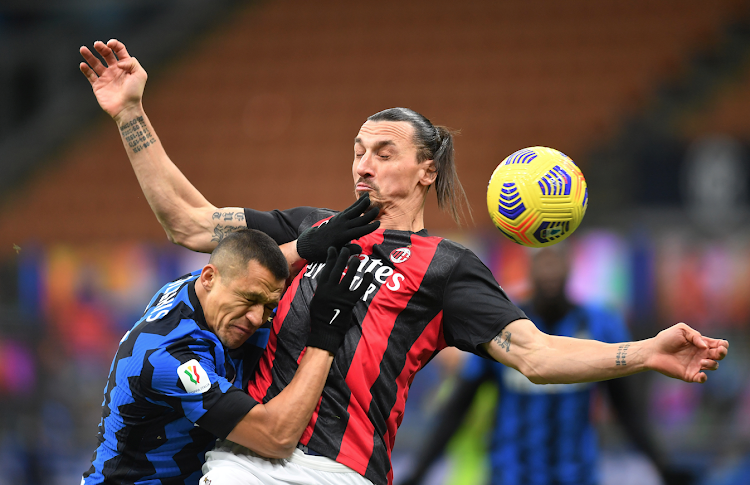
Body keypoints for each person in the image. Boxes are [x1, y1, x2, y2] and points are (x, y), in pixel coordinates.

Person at [79, 39, 729, 485]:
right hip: (245, 460)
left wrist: (644, 351)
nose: (363, 163)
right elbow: (190, 222)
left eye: (384, 151)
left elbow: (534, 354)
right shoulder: (312, 229)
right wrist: (132, 114)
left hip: (342, 470)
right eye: (358, 150)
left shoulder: (448, 268)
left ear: (426, 169)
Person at [81, 229, 373, 484]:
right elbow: (276, 438)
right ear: (209, 278)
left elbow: (244, 269)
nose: (257, 318)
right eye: (249, 301)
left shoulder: (196, 288)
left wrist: (302, 247)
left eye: (268, 306)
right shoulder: (171, 360)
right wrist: (325, 336)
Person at [399, 246, 691, 485]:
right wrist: (419, 472)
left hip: (578, 475)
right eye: (543, 262)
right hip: (512, 476)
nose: (550, 271)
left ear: (570, 267)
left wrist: (662, 465)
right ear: (530, 268)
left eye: (556, 261)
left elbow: (626, 408)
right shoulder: (500, 325)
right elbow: (458, 407)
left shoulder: (601, 325)